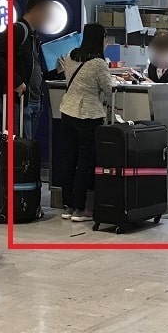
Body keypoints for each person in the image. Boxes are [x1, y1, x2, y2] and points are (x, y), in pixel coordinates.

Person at [59, 23, 115, 222]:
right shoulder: (98, 62)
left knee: (68, 159)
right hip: (88, 115)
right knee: (84, 162)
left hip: (67, 111)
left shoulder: (71, 55)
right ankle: (79, 208)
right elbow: (108, 89)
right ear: (101, 39)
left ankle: (66, 206)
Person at [0, 0, 56, 138]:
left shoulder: (33, 36)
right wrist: (16, 82)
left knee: (27, 147)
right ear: (36, 11)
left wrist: (56, 71)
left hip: (32, 99)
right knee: (19, 147)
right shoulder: (18, 30)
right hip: (18, 100)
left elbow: (33, 69)